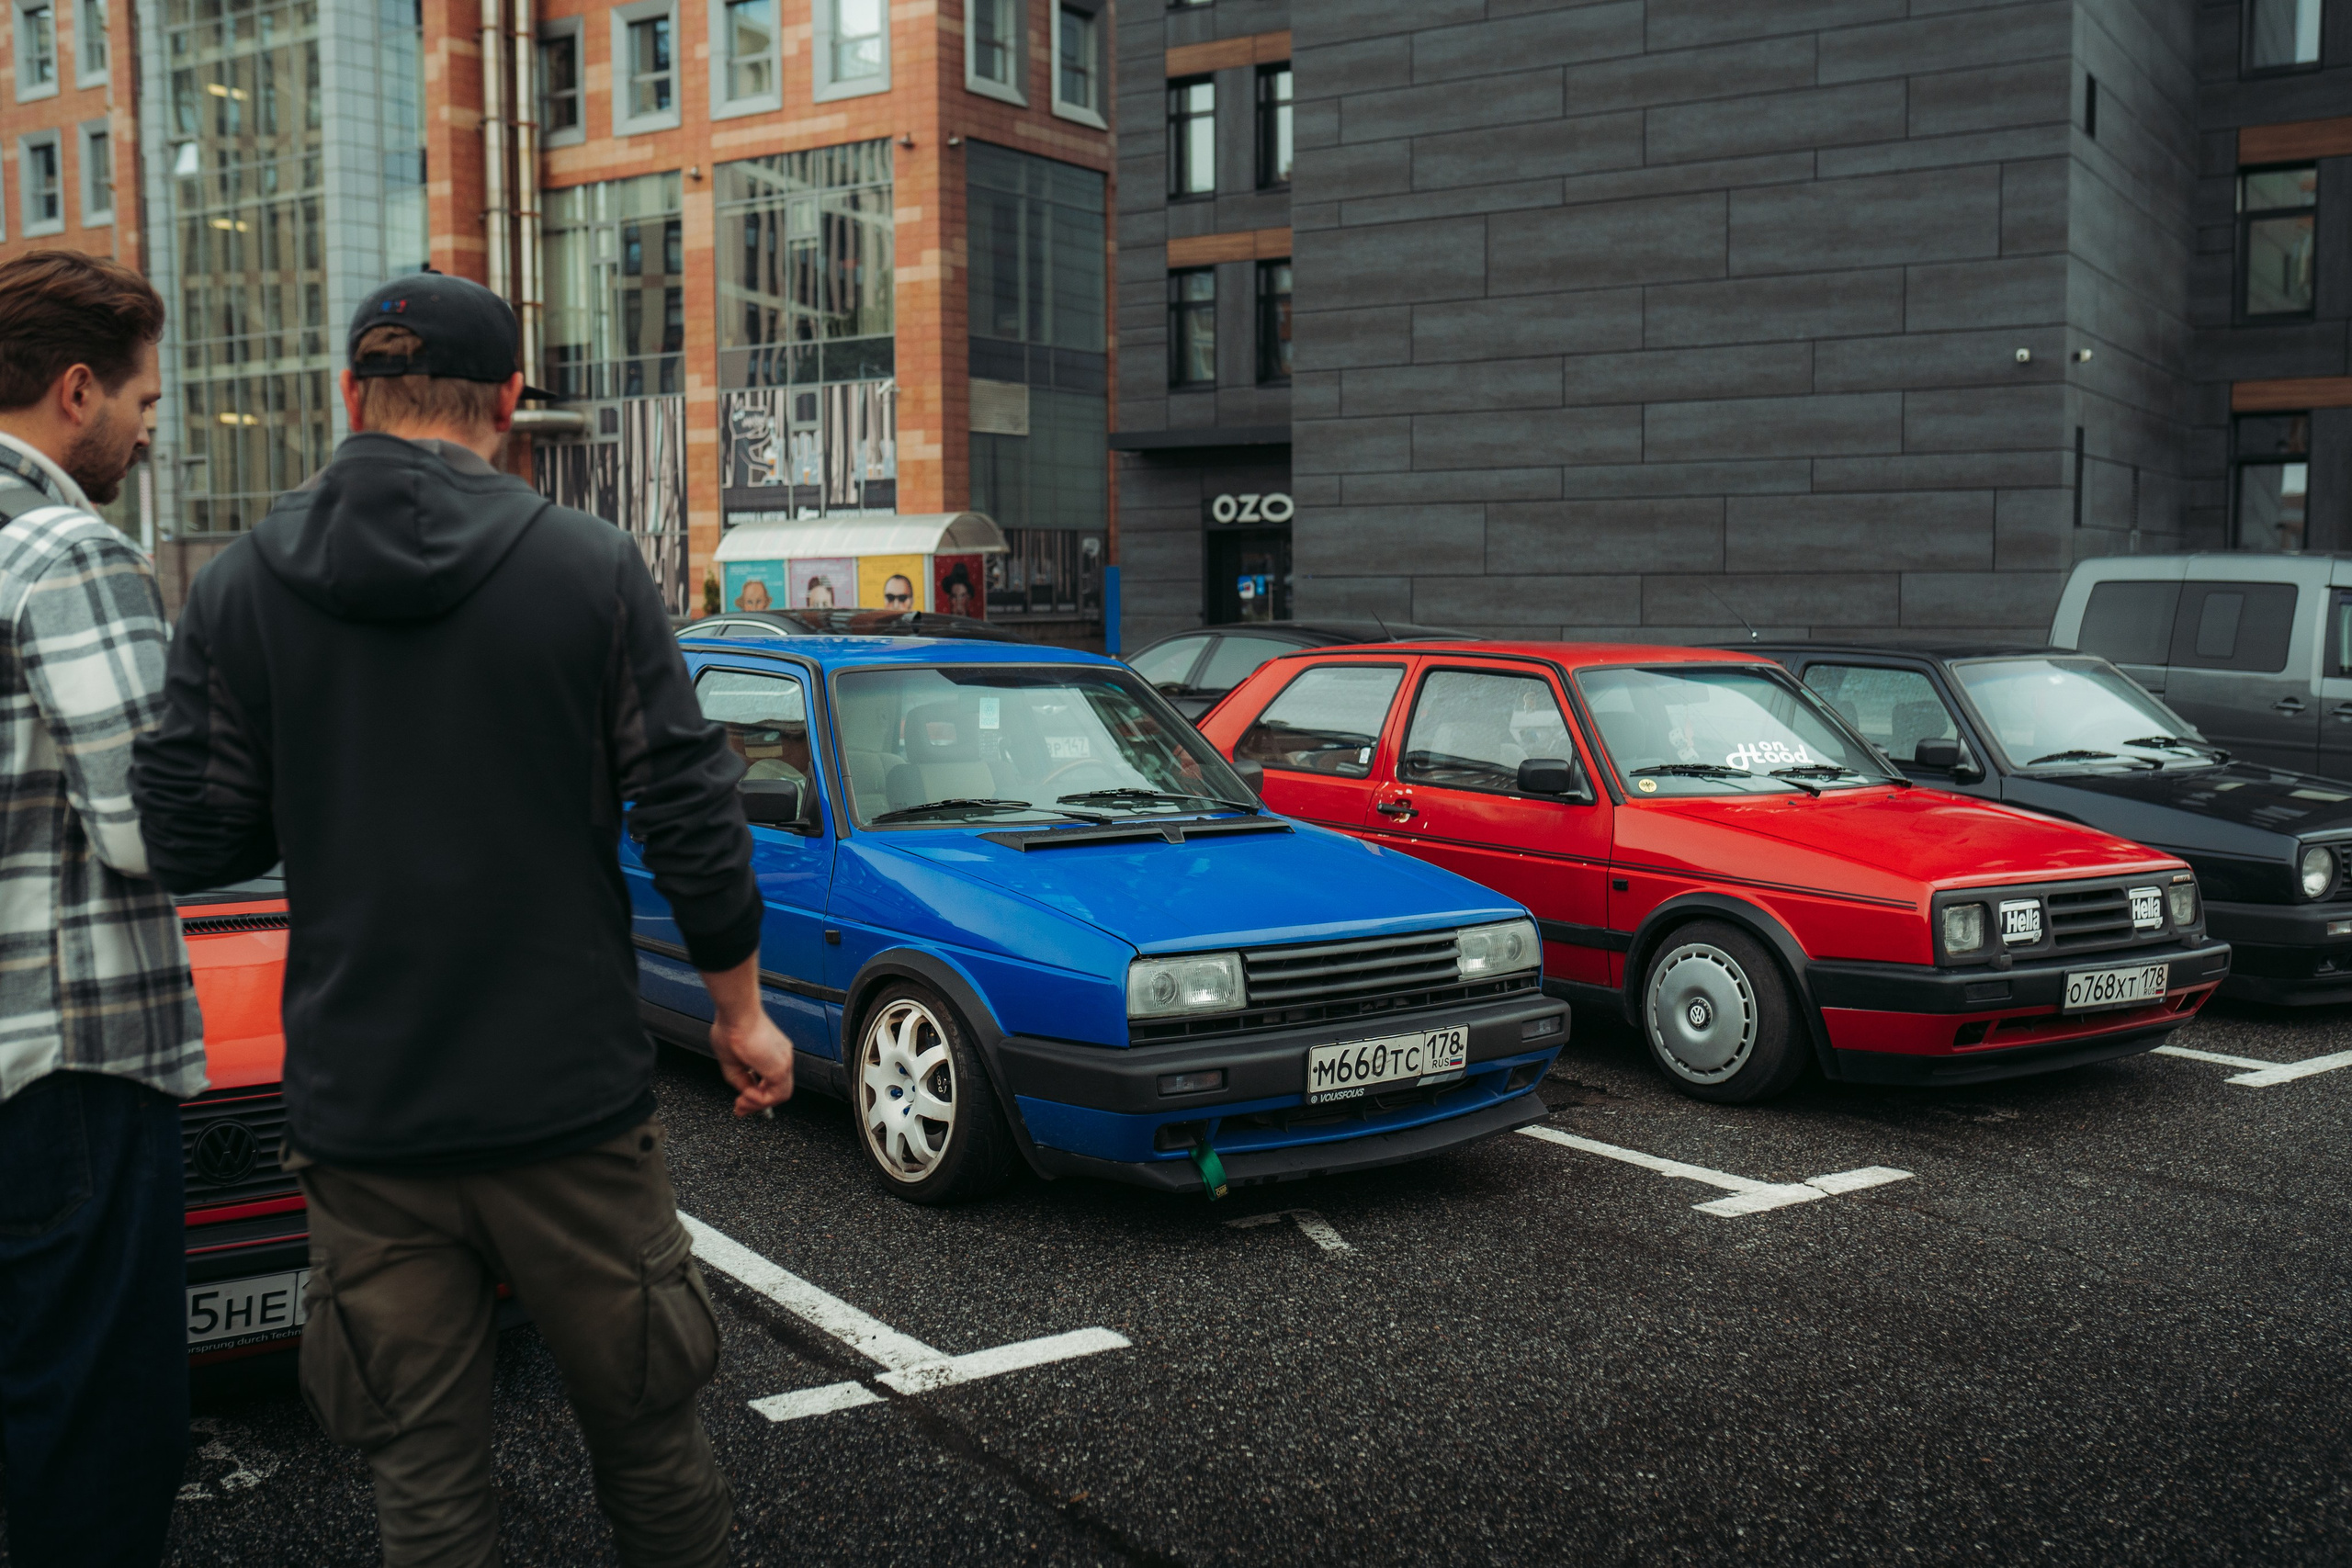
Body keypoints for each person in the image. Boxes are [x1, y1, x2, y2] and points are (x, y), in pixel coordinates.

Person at [131, 271, 796, 1568]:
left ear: (349, 397)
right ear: (505, 403)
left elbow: (192, 837)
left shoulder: (243, 583)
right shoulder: (592, 569)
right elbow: (691, 812)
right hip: (569, 1109)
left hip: (366, 1118)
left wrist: (322, 768)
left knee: (422, 1488)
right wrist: (741, 1014)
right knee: (652, 1447)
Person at [0, 250, 198, 1568]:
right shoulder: (67, 547)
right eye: (141, 400)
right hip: (71, 1071)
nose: (146, 428)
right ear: (78, 390)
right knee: (94, 1446)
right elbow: (153, 828)